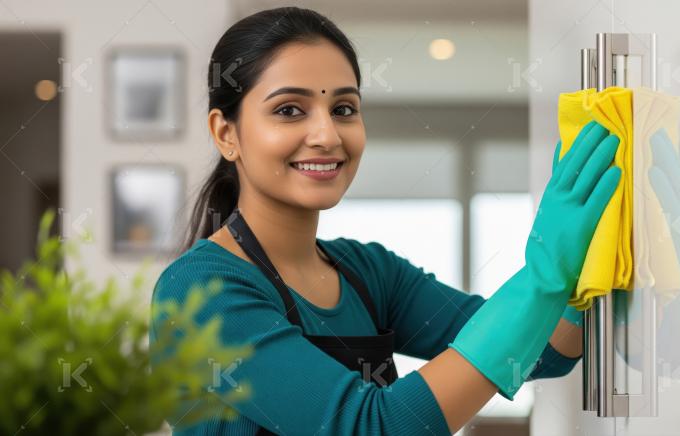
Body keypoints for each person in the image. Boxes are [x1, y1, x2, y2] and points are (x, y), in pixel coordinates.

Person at [149, 6, 621, 435]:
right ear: (226, 134)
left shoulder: (370, 273)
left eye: (343, 109)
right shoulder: (200, 290)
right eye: (289, 110)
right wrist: (544, 273)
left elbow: (542, 351)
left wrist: (585, 255)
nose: (327, 135)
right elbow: (372, 427)